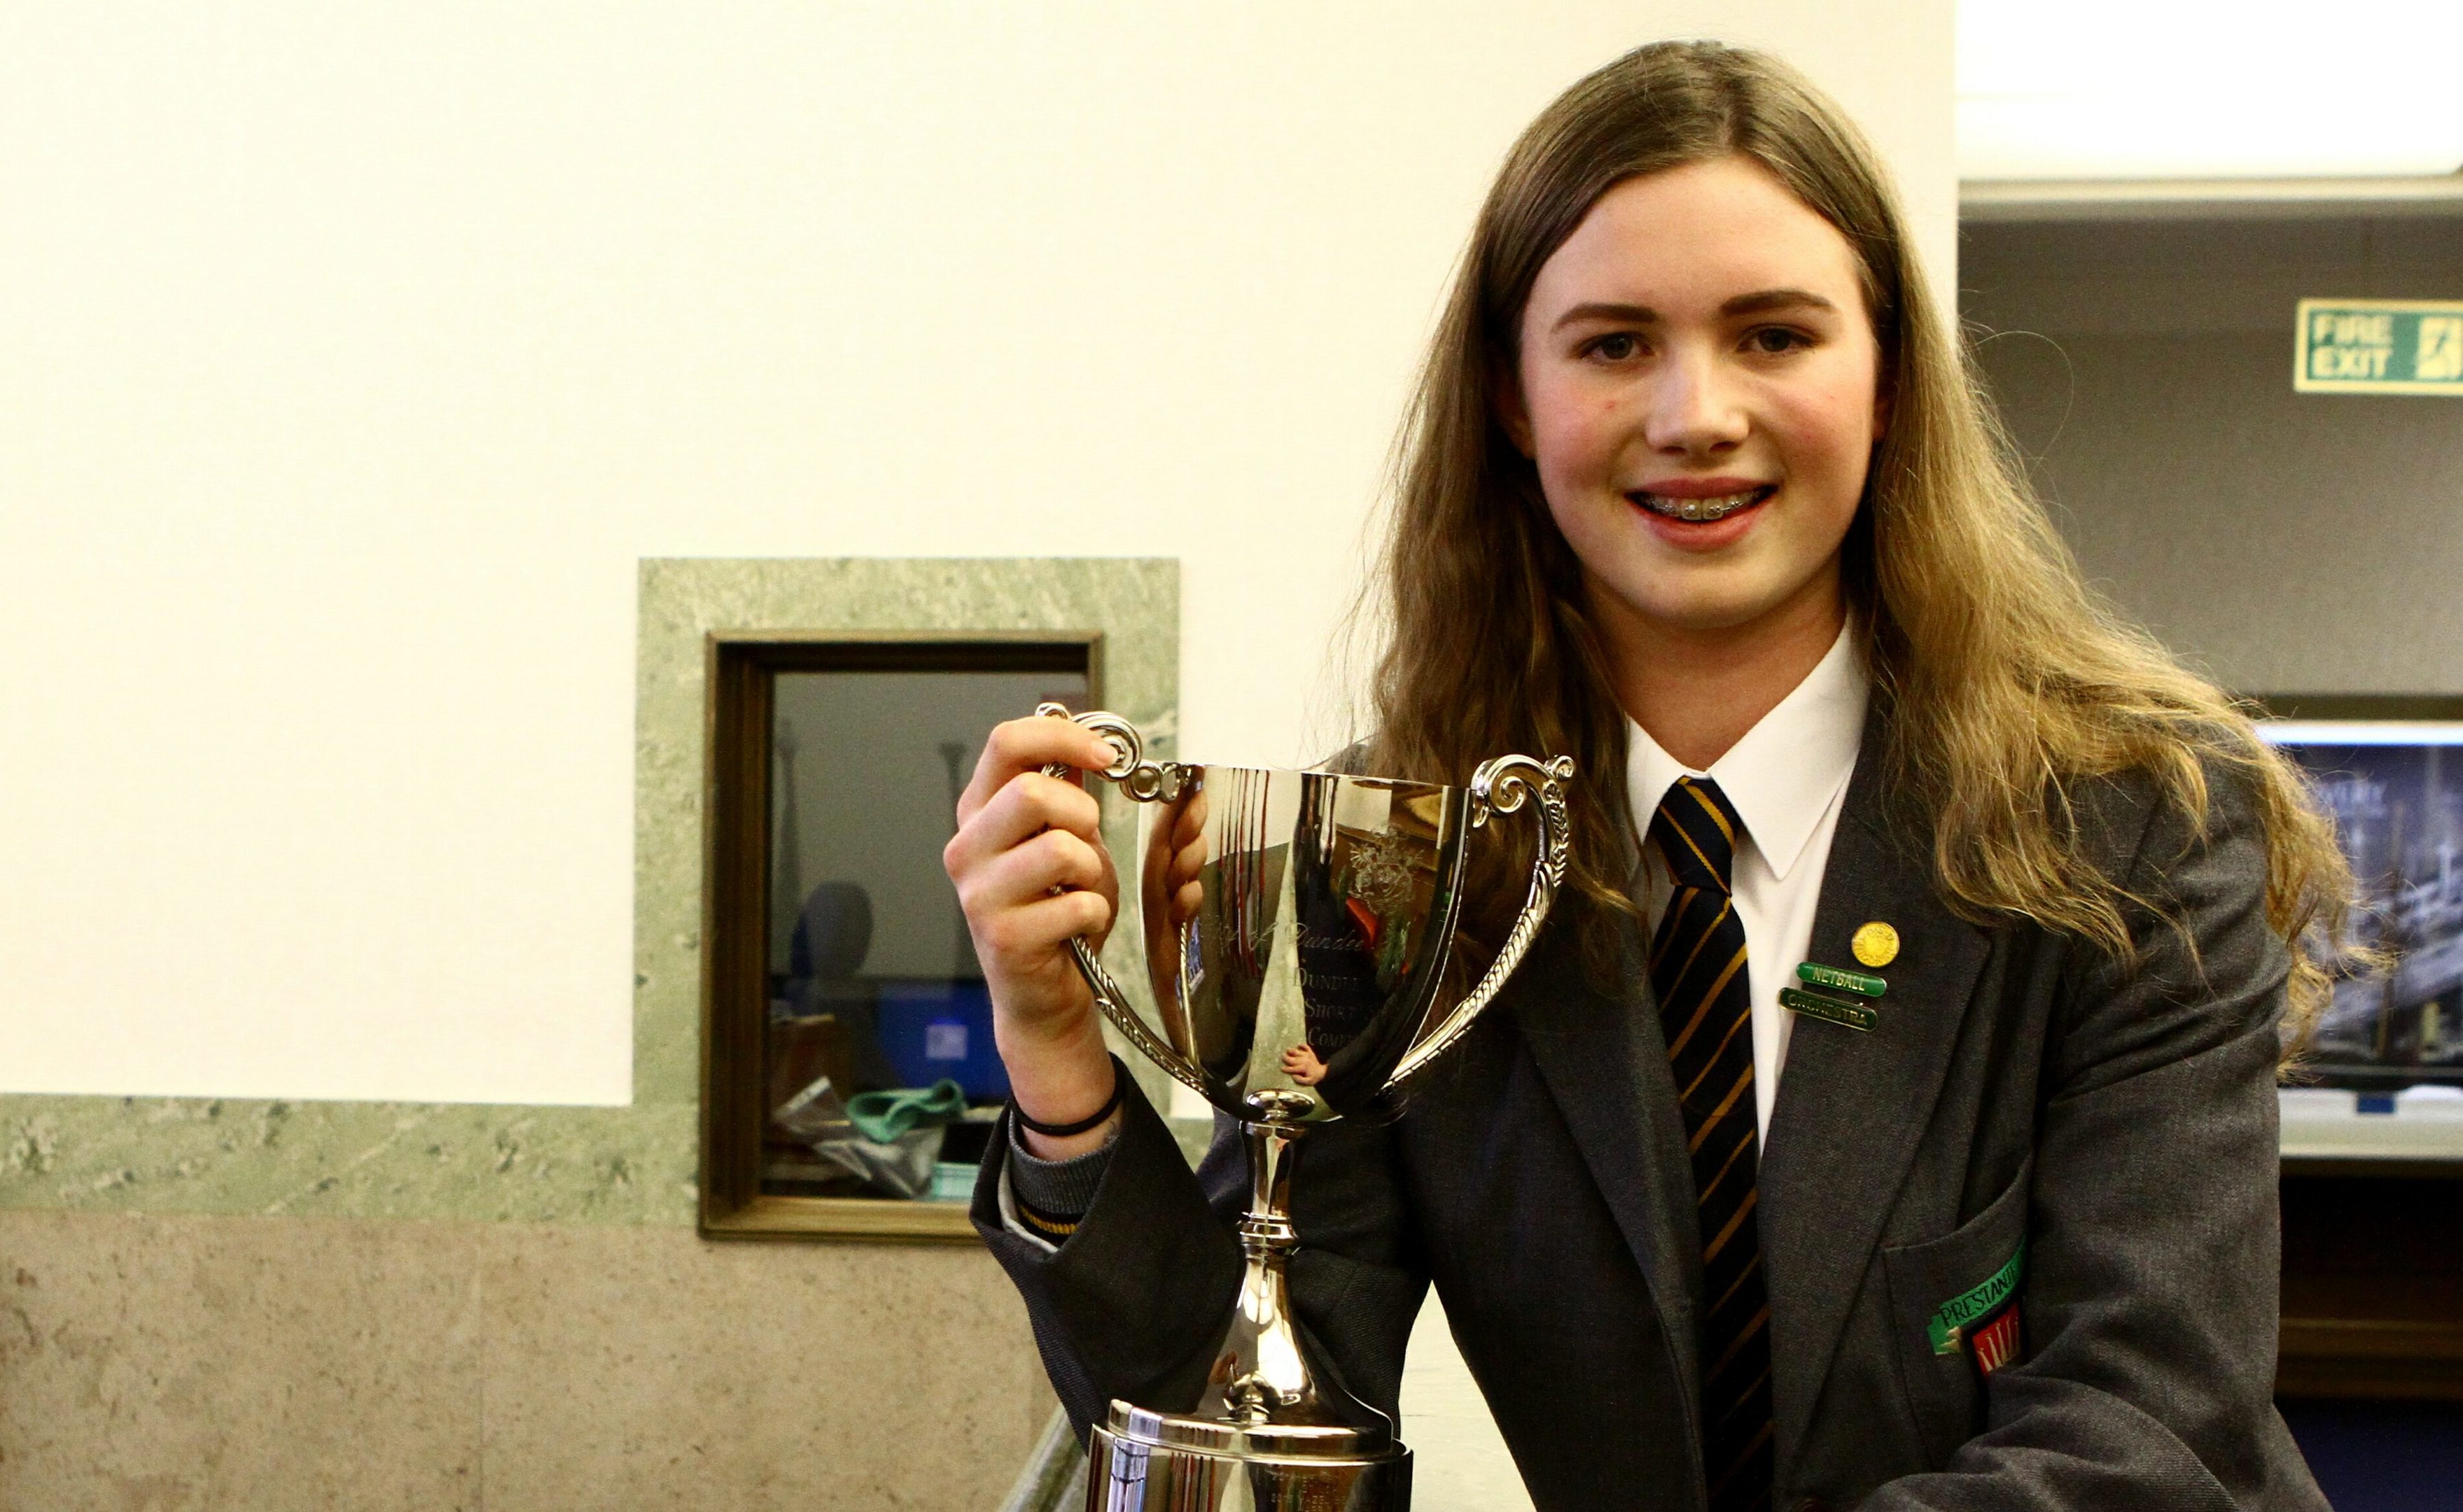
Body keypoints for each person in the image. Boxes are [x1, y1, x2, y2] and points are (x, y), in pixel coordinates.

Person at [942, 39, 2354, 1511]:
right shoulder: (1394, 870)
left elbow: (2148, 1426)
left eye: (1773, 335)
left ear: (1883, 380)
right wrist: (1059, 1071)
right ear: (1512, 397)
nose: (1694, 415)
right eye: (1612, 343)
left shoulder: (2131, 824)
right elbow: (1263, 1426)